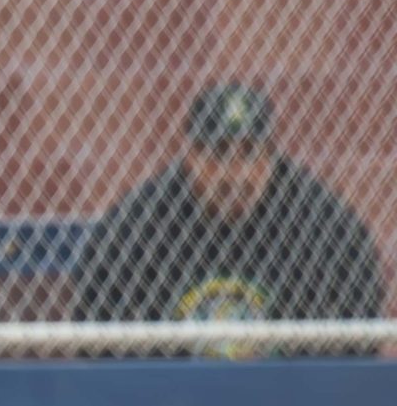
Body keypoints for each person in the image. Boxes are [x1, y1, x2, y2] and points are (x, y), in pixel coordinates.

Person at [72, 82, 385, 352]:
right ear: (191, 157)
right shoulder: (141, 223)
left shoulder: (319, 220)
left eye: (249, 153)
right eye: (219, 153)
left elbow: (359, 329)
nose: (236, 174)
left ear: (271, 157)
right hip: (176, 397)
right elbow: (96, 326)